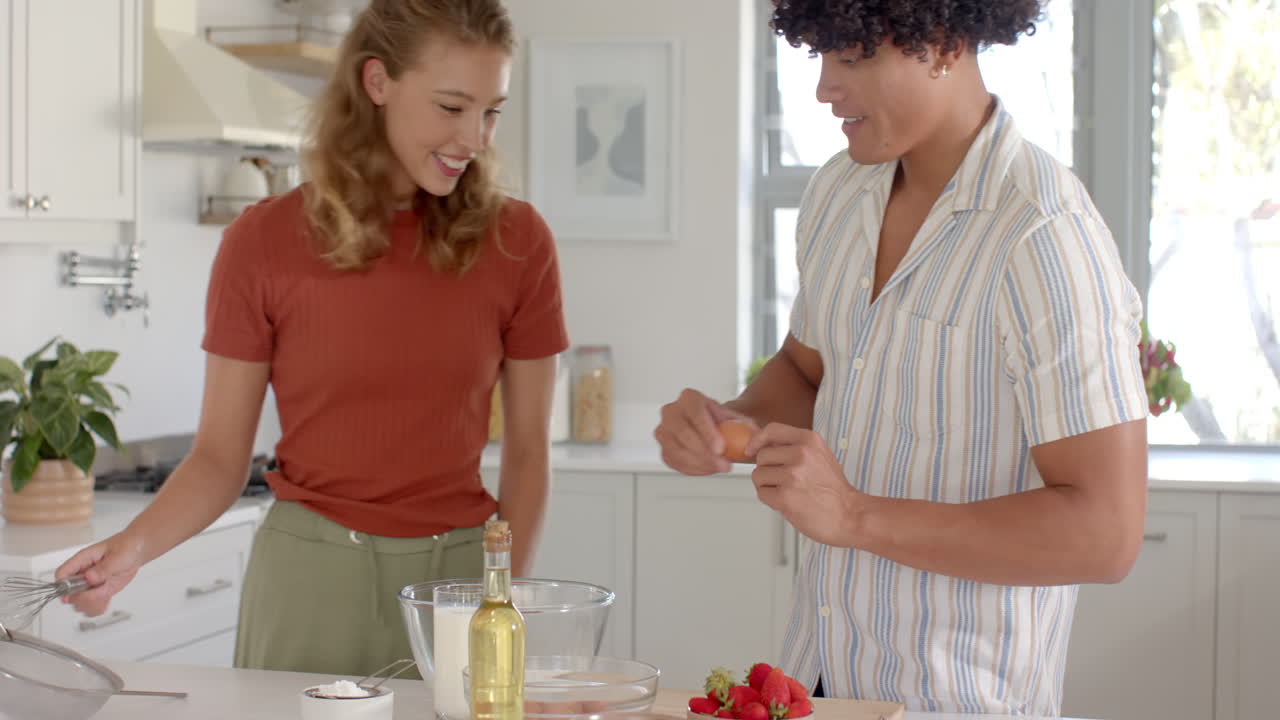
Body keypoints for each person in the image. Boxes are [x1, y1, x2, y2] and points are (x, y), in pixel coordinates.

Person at [654, 1, 1147, 715]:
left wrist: (853, 515)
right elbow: (806, 368)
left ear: (942, 40)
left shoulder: (1043, 234)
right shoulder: (838, 192)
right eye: (819, 53)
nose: (824, 86)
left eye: (852, 57)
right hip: (817, 682)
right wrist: (725, 425)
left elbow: (1106, 533)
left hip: (957, 700)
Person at [56, 0, 567, 676]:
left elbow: (529, 453)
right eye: (452, 107)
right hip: (308, 582)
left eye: (491, 111)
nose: (474, 138)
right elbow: (216, 459)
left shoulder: (517, 242)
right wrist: (131, 549)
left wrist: (503, 596)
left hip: (462, 584)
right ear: (377, 82)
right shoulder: (262, 243)